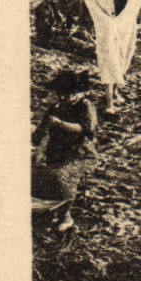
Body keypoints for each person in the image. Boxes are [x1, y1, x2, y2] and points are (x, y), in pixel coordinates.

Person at [32, 69, 100, 231]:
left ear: (79, 93)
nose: (65, 97)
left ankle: (66, 216)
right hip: (55, 150)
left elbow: (86, 128)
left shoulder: (85, 106)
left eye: (70, 94)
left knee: (63, 176)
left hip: (79, 153)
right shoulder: (56, 107)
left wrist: (60, 124)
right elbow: (40, 132)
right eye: (62, 94)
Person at [86, 0, 141, 113]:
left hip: (125, 21)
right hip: (106, 23)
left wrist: (130, 16)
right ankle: (109, 103)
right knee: (108, 59)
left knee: (123, 55)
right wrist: (103, 19)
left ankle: (116, 91)